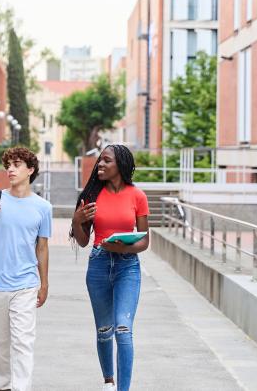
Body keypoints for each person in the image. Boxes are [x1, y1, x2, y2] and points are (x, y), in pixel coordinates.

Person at [0, 146, 52, 391]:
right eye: (8, 165)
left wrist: (44, 283)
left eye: (17, 165)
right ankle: (3, 386)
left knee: (23, 342)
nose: (10, 170)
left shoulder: (43, 207)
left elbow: (43, 248)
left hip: (25, 284)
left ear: (30, 170)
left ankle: (20, 388)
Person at [70, 144, 150, 391]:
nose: (100, 165)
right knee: (104, 329)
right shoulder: (91, 195)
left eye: (106, 161)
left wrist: (123, 248)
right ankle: (108, 382)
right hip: (98, 265)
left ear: (121, 165)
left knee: (123, 328)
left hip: (128, 268)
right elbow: (83, 242)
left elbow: (144, 240)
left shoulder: (137, 196)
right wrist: (77, 220)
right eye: (99, 161)